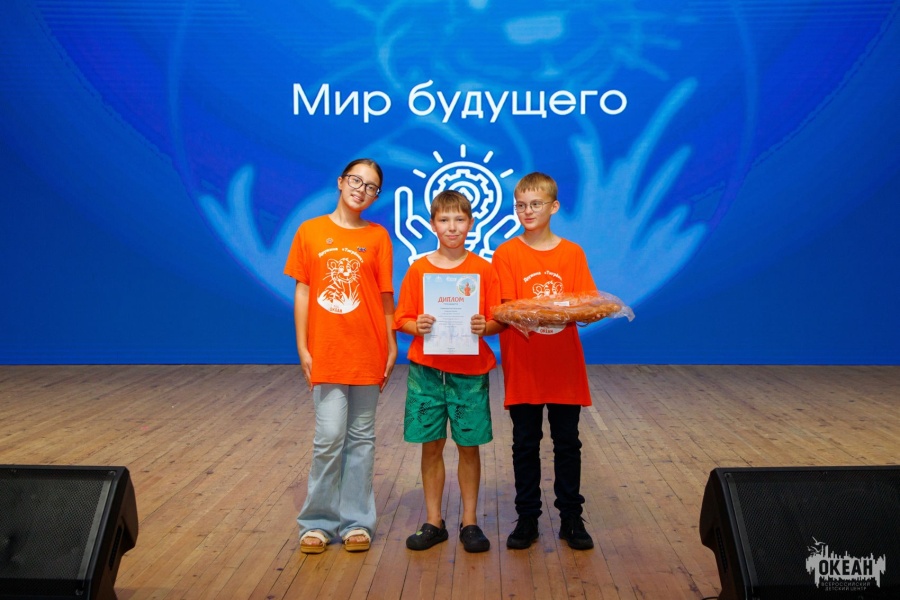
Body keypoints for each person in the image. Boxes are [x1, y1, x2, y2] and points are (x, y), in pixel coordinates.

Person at [283, 158, 397, 554]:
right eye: (356, 181)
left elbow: (384, 295)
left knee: (361, 438)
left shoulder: (378, 237)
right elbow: (303, 291)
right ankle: (317, 522)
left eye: (371, 186)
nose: (361, 190)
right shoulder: (310, 231)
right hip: (328, 349)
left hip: (367, 349)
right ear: (340, 182)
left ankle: (356, 522)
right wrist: (302, 345)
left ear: (376, 196)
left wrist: (391, 343)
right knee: (330, 436)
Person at [491, 172, 597, 551]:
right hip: (524, 365)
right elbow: (507, 309)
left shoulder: (572, 254)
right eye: (520, 205)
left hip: (564, 366)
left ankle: (571, 517)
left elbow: (586, 305)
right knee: (525, 444)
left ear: (554, 207)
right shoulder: (506, 254)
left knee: (568, 443)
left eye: (535, 204)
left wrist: (581, 311)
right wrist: (555, 310)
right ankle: (527, 518)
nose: (527, 211)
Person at [394, 190, 503, 553]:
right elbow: (402, 318)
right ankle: (433, 521)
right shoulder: (419, 269)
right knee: (431, 447)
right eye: (444, 220)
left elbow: (498, 320)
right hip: (427, 373)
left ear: (471, 223)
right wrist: (418, 325)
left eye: (459, 219)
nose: (452, 227)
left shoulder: (484, 270)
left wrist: (484, 327)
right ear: (433, 224)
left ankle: (469, 521)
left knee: (469, 447)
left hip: (470, 373)